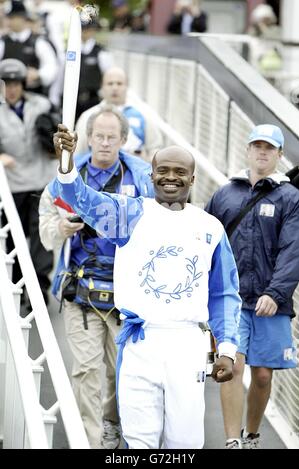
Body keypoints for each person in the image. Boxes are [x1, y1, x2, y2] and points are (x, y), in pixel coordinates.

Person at [52, 127, 241, 448]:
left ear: (192, 179)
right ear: (151, 175)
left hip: (187, 345)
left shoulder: (210, 228)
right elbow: (78, 198)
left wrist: (226, 349)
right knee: (140, 439)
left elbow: (223, 293)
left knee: (185, 441)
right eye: (163, 171)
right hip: (141, 342)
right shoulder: (129, 214)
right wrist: (67, 163)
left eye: (180, 172)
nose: (171, 177)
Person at [39, 105, 154, 449]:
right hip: (81, 288)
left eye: (111, 137)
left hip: (127, 293)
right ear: (88, 139)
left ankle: (110, 422)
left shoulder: (144, 179)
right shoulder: (67, 177)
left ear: (123, 140)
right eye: (99, 136)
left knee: (121, 372)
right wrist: (59, 227)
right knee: (85, 370)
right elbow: (46, 216)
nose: (105, 143)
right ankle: (88, 441)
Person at [206, 124, 299, 449]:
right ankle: (232, 441)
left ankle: (252, 435)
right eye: (257, 146)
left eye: (269, 148)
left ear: (279, 155)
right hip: (230, 301)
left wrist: (275, 293)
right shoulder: (224, 193)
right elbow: (205, 241)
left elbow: (294, 249)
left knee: (262, 376)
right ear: (247, 150)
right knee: (233, 366)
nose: (262, 152)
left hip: (271, 302)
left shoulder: (291, 197)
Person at [0, 58, 56, 304]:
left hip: (41, 178)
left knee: (41, 235)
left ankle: (38, 287)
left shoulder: (42, 104)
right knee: (14, 237)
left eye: (16, 83)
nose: (11, 88)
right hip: (12, 183)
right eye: (6, 83)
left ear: (23, 84)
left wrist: (51, 139)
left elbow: (58, 132)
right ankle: (18, 284)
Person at [75, 66, 163, 161]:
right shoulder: (88, 116)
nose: (115, 88)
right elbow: (79, 152)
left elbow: (155, 149)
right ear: (102, 87)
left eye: (119, 83)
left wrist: (145, 160)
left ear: (127, 86)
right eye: (110, 83)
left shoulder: (143, 114)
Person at [0, 0, 58, 96]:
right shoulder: (3, 41)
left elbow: (51, 65)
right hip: (7, 95)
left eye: (13, 18)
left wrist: (38, 74)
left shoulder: (38, 42)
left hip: (33, 94)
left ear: (22, 18)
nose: (9, 21)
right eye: (9, 18)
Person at [75, 18, 113, 121]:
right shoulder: (72, 50)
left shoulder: (101, 52)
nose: (84, 32)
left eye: (87, 29)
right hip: (74, 100)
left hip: (93, 100)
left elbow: (108, 75)